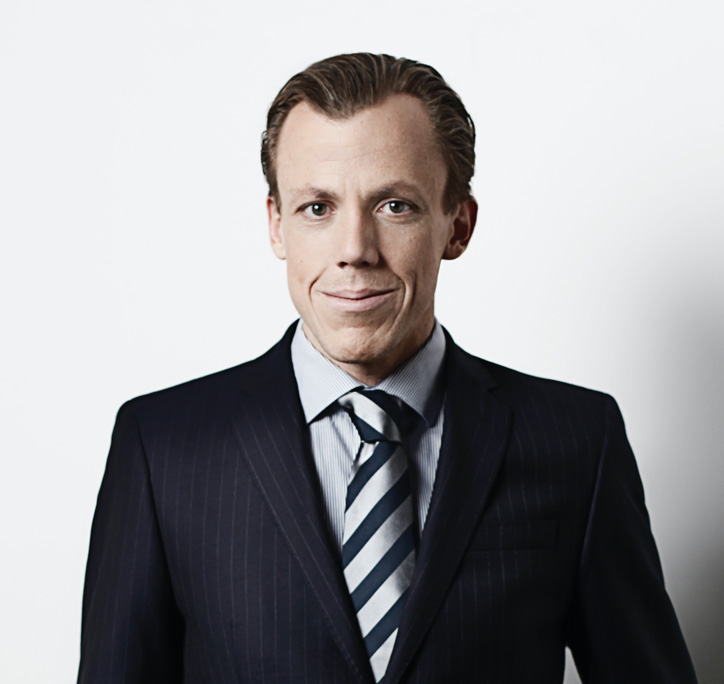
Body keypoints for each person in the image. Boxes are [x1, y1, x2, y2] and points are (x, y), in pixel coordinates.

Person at [78, 53, 697, 684]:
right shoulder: (162, 447)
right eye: (317, 208)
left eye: (395, 205)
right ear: (276, 225)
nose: (354, 250)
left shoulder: (576, 441)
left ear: (457, 226)